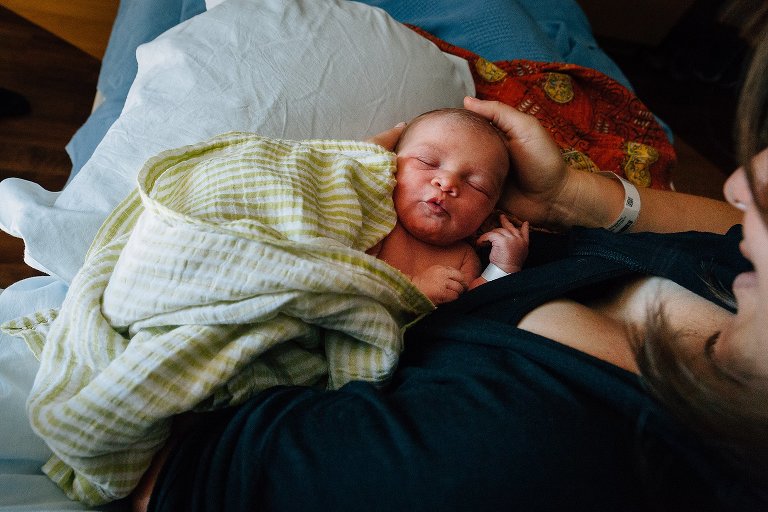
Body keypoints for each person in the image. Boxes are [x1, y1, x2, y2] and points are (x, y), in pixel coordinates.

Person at [134, 36, 768, 512]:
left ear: (488, 209)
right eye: (429, 164)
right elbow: (727, 225)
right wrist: (567, 197)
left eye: (473, 184)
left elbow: (165, 469)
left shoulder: (492, 456)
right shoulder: (745, 267)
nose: (740, 184)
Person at [371, 108, 530, 304]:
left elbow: (475, 309)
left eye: (477, 185)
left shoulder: (463, 258)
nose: (447, 183)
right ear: (391, 162)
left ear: (489, 213)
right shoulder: (372, 209)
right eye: (427, 161)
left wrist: (503, 268)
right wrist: (414, 287)